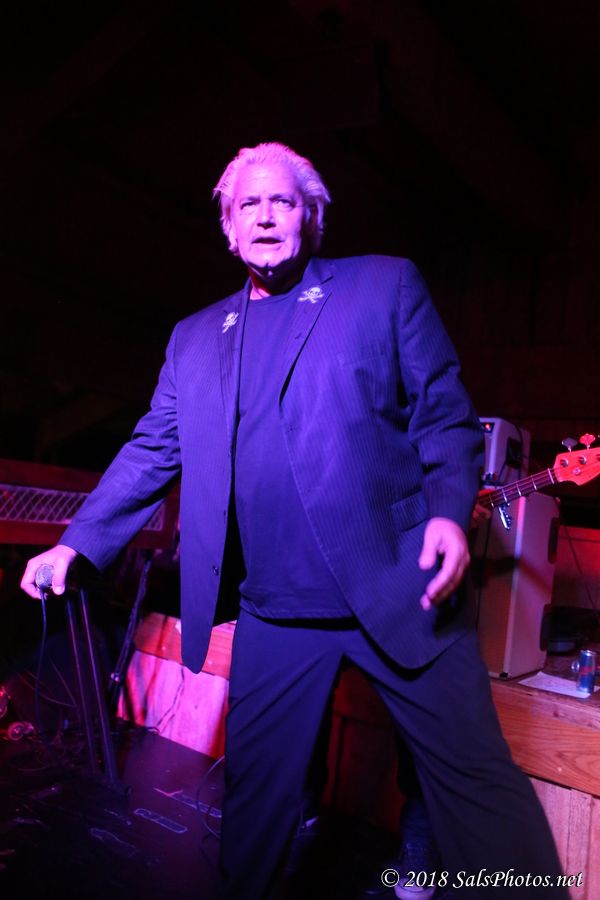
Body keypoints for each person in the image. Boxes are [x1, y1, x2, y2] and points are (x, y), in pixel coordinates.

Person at [21, 142, 567, 899]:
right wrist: (76, 543)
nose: (266, 216)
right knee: (254, 811)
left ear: (311, 216)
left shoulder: (382, 287)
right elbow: (152, 449)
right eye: (248, 204)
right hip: (276, 610)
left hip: (402, 583)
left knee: (477, 788)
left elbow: (446, 418)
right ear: (228, 227)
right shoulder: (193, 338)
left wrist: (448, 513)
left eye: (282, 201)